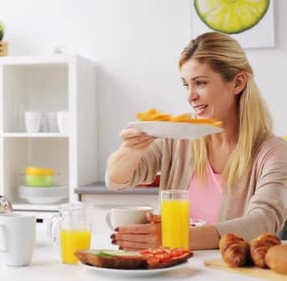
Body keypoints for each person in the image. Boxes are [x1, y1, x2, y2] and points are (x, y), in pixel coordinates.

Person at [106, 32, 287, 251]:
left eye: (200, 83)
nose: (190, 96)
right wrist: (131, 149)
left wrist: (173, 237)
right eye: (185, 85)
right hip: (176, 268)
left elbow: (262, 221)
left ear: (238, 83)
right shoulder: (179, 138)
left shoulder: (273, 152)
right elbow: (117, 181)